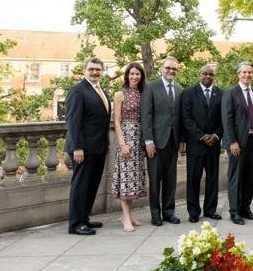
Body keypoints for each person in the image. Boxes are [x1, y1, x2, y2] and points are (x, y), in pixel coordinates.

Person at [65, 57, 111, 235]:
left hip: (98, 147)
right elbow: (73, 121)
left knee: (91, 185)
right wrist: (77, 147)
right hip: (83, 149)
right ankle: (76, 224)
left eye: (98, 69)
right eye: (91, 69)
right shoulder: (77, 90)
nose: (94, 72)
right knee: (81, 186)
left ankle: (84, 218)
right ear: (84, 70)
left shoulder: (100, 89)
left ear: (102, 71)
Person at [141, 56, 184, 226]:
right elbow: (146, 116)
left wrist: (182, 140)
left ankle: (168, 212)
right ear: (162, 68)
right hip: (156, 142)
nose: (171, 71)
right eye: (168, 68)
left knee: (170, 180)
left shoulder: (180, 89)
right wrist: (148, 141)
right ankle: (155, 214)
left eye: (174, 69)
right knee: (155, 180)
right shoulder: (150, 88)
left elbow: (181, 118)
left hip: (173, 141)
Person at [180, 64, 223, 223]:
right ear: (200, 75)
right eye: (205, 73)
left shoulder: (221, 93)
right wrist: (202, 136)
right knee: (193, 179)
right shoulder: (188, 93)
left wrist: (216, 135)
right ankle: (193, 212)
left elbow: (224, 119)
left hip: (214, 145)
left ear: (214, 77)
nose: (208, 76)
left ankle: (210, 210)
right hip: (195, 144)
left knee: (212, 179)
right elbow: (186, 118)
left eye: (211, 74)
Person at [221, 61, 253, 225]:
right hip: (237, 143)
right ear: (239, 74)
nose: (247, 75)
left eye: (250, 72)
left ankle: (246, 208)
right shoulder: (230, 93)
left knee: (249, 177)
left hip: (252, 140)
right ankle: (234, 212)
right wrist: (232, 141)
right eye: (244, 72)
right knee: (236, 178)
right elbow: (227, 119)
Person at [110, 62, 147, 232]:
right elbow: (116, 121)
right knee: (126, 179)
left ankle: (129, 214)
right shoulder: (120, 94)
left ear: (141, 76)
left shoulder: (143, 93)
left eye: (137, 74)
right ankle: (125, 217)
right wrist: (122, 143)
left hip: (139, 139)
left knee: (133, 180)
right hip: (126, 137)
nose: (134, 77)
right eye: (131, 74)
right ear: (127, 75)